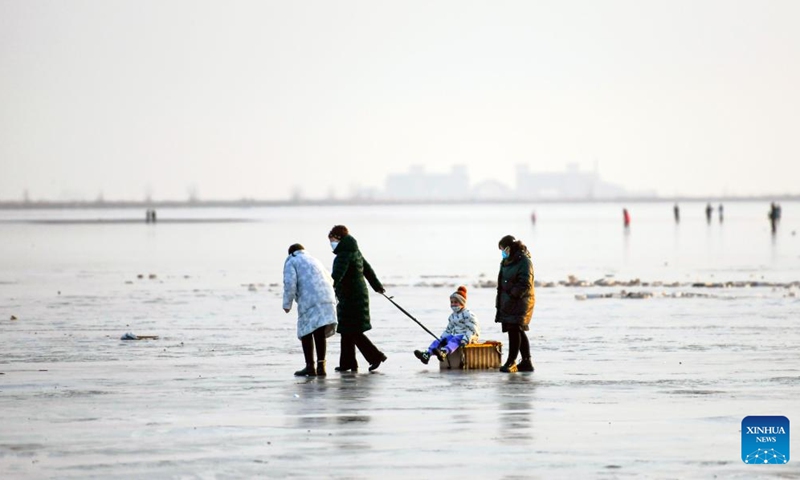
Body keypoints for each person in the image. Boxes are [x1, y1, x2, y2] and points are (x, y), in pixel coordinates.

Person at [328, 225, 388, 372]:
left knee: (352, 331)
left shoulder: (343, 255)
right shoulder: (354, 251)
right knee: (347, 330)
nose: (331, 243)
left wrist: (326, 290)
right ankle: (347, 363)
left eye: (332, 240)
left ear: (339, 238)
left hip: (350, 297)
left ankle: (375, 356)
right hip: (358, 295)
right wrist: (377, 286)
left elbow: (336, 277)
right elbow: (368, 270)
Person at [282, 243, 338, 377]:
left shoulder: (292, 261)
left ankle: (310, 367)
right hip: (327, 298)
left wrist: (287, 304)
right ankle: (321, 367)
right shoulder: (315, 260)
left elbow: (290, 283)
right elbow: (330, 279)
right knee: (319, 332)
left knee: (306, 332)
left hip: (310, 300)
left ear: (290, 253)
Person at [495, 235, 535, 373]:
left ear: (509, 247)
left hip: (520, 301)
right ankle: (526, 362)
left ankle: (511, 361)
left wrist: (513, 294)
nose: (502, 252)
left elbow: (525, 283)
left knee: (514, 330)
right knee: (518, 330)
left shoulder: (524, 261)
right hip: (508, 301)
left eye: (502, 249)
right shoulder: (506, 261)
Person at [413, 286, 480, 364]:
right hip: (455, 335)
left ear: (462, 303)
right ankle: (427, 354)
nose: (453, 304)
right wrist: (443, 338)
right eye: (451, 302)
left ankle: (444, 352)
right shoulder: (452, 316)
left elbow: (472, 329)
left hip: (467, 337)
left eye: (456, 302)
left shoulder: (468, 314)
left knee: (454, 340)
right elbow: (449, 329)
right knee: (438, 341)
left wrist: (466, 339)